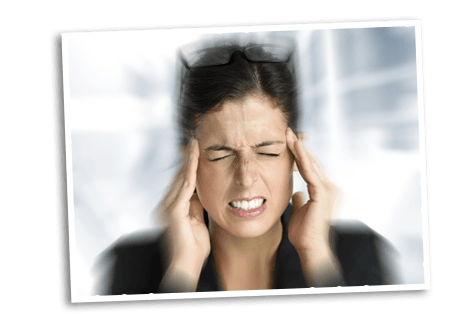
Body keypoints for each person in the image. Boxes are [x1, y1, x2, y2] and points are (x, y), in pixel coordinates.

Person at [91, 37, 397, 295]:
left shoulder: (358, 254)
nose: (246, 177)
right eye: (221, 153)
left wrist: (317, 258)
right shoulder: (132, 267)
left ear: (297, 155)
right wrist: (182, 272)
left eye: (267, 151)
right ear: (189, 160)